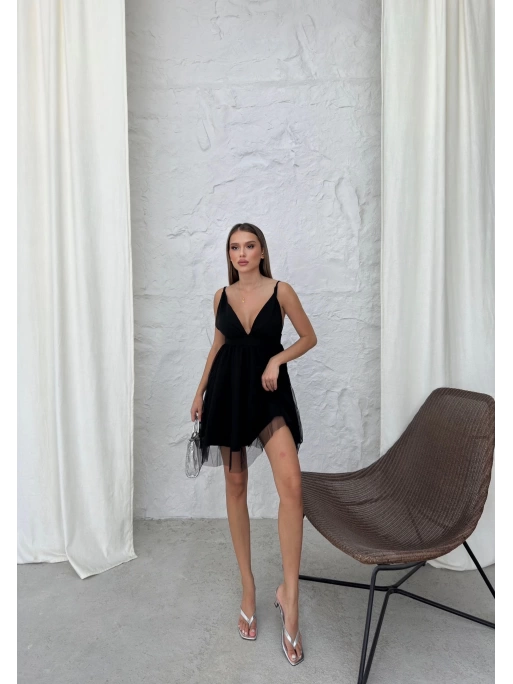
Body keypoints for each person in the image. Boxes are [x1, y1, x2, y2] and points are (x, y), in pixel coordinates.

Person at [190, 222, 317, 665]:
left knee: (292, 488)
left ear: (262, 251)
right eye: (234, 248)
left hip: (267, 395)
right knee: (236, 487)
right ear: (230, 255)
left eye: (249, 246)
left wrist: (277, 359)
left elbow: (309, 336)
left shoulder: (281, 291)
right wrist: (200, 391)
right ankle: (248, 587)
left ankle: (289, 596)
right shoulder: (221, 297)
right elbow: (218, 347)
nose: (241, 253)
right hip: (227, 394)